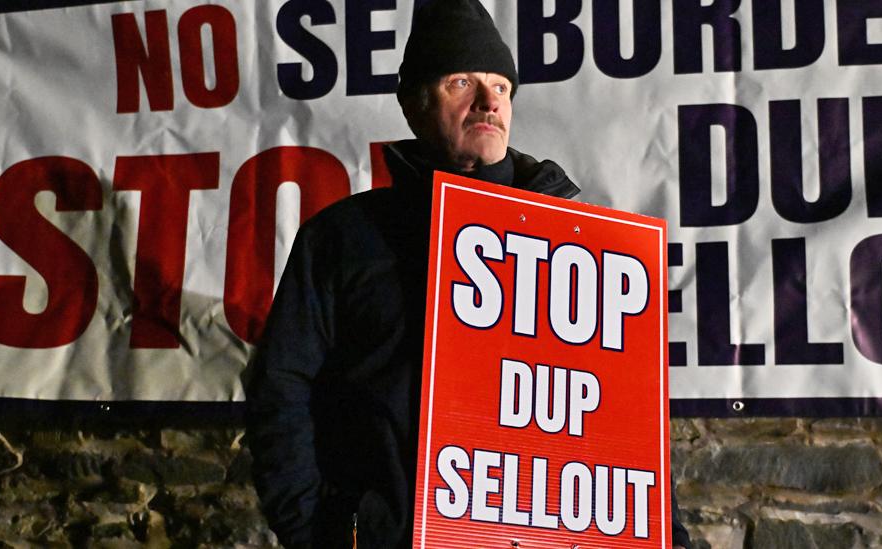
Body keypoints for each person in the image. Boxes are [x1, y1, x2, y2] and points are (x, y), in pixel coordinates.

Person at [245, 1, 691, 547]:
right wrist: (323, 530)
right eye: (462, 81)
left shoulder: (585, 246)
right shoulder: (343, 238)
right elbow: (280, 390)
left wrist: (667, 534)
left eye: (500, 87)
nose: (488, 102)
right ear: (414, 104)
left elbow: (622, 418)